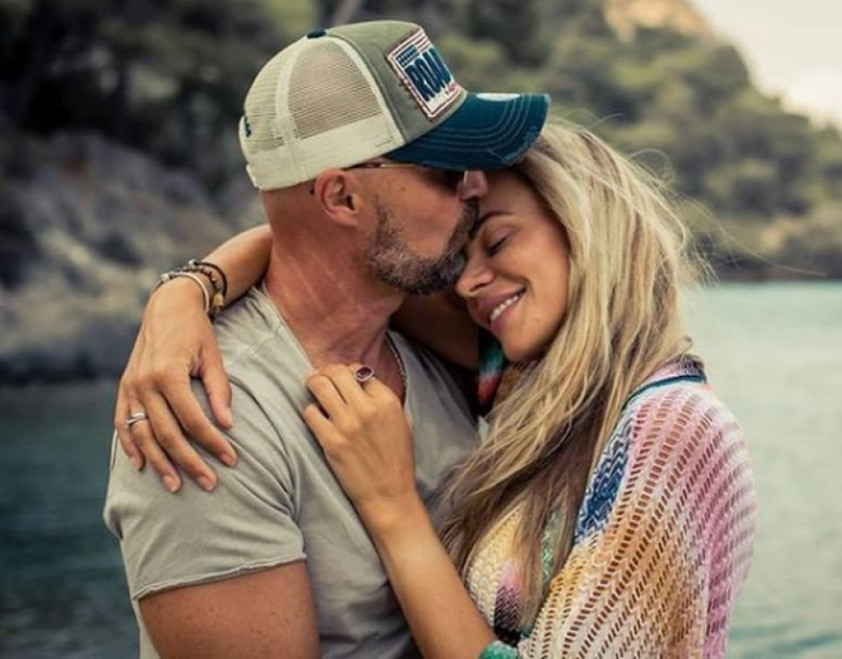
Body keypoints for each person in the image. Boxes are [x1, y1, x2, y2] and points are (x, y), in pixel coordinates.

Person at [111, 119, 757, 657]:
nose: (469, 283)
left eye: (498, 239)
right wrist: (187, 292)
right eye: (463, 256)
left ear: (588, 230)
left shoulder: (672, 427)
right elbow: (320, 262)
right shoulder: (536, 390)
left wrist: (394, 509)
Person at [103, 18, 550, 659]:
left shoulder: (440, 325)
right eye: (446, 171)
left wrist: (190, 286)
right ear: (342, 198)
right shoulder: (206, 419)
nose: (475, 185)